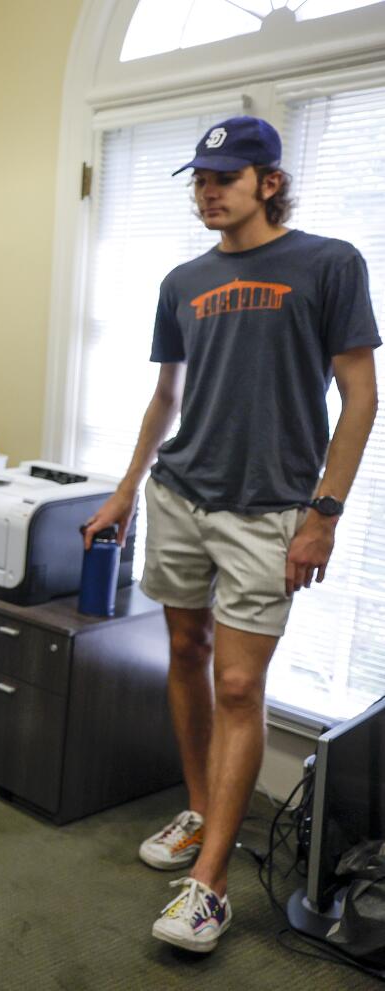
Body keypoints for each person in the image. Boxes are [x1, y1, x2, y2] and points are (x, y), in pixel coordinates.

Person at [84, 116, 379, 954]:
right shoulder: (182, 280)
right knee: (184, 653)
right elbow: (165, 398)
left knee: (240, 686)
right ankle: (203, 810)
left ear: (269, 182)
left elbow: (360, 395)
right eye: (199, 179)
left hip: (270, 508)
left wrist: (323, 515)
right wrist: (125, 491)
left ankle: (208, 884)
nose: (207, 191)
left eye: (224, 177)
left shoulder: (328, 264)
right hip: (181, 494)